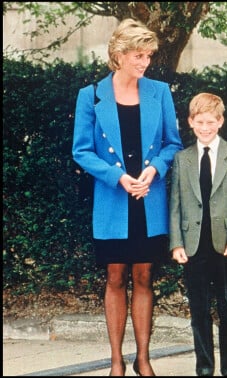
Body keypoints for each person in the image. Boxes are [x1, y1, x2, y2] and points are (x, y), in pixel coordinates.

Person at [72, 18, 183, 376]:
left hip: (149, 199)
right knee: (116, 276)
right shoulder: (90, 96)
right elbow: (82, 151)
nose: (145, 62)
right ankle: (117, 361)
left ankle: (144, 359)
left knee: (145, 275)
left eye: (148, 55)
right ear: (118, 55)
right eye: (139, 55)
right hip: (114, 201)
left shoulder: (160, 91)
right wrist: (118, 176)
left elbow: (172, 144)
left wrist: (155, 170)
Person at [169, 92, 227, 376]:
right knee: (199, 310)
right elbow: (176, 203)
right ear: (191, 122)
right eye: (200, 122)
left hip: (225, 243)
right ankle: (204, 367)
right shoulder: (182, 159)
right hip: (193, 245)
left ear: (221, 121)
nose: (205, 128)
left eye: (211, 122)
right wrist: (176, 243)